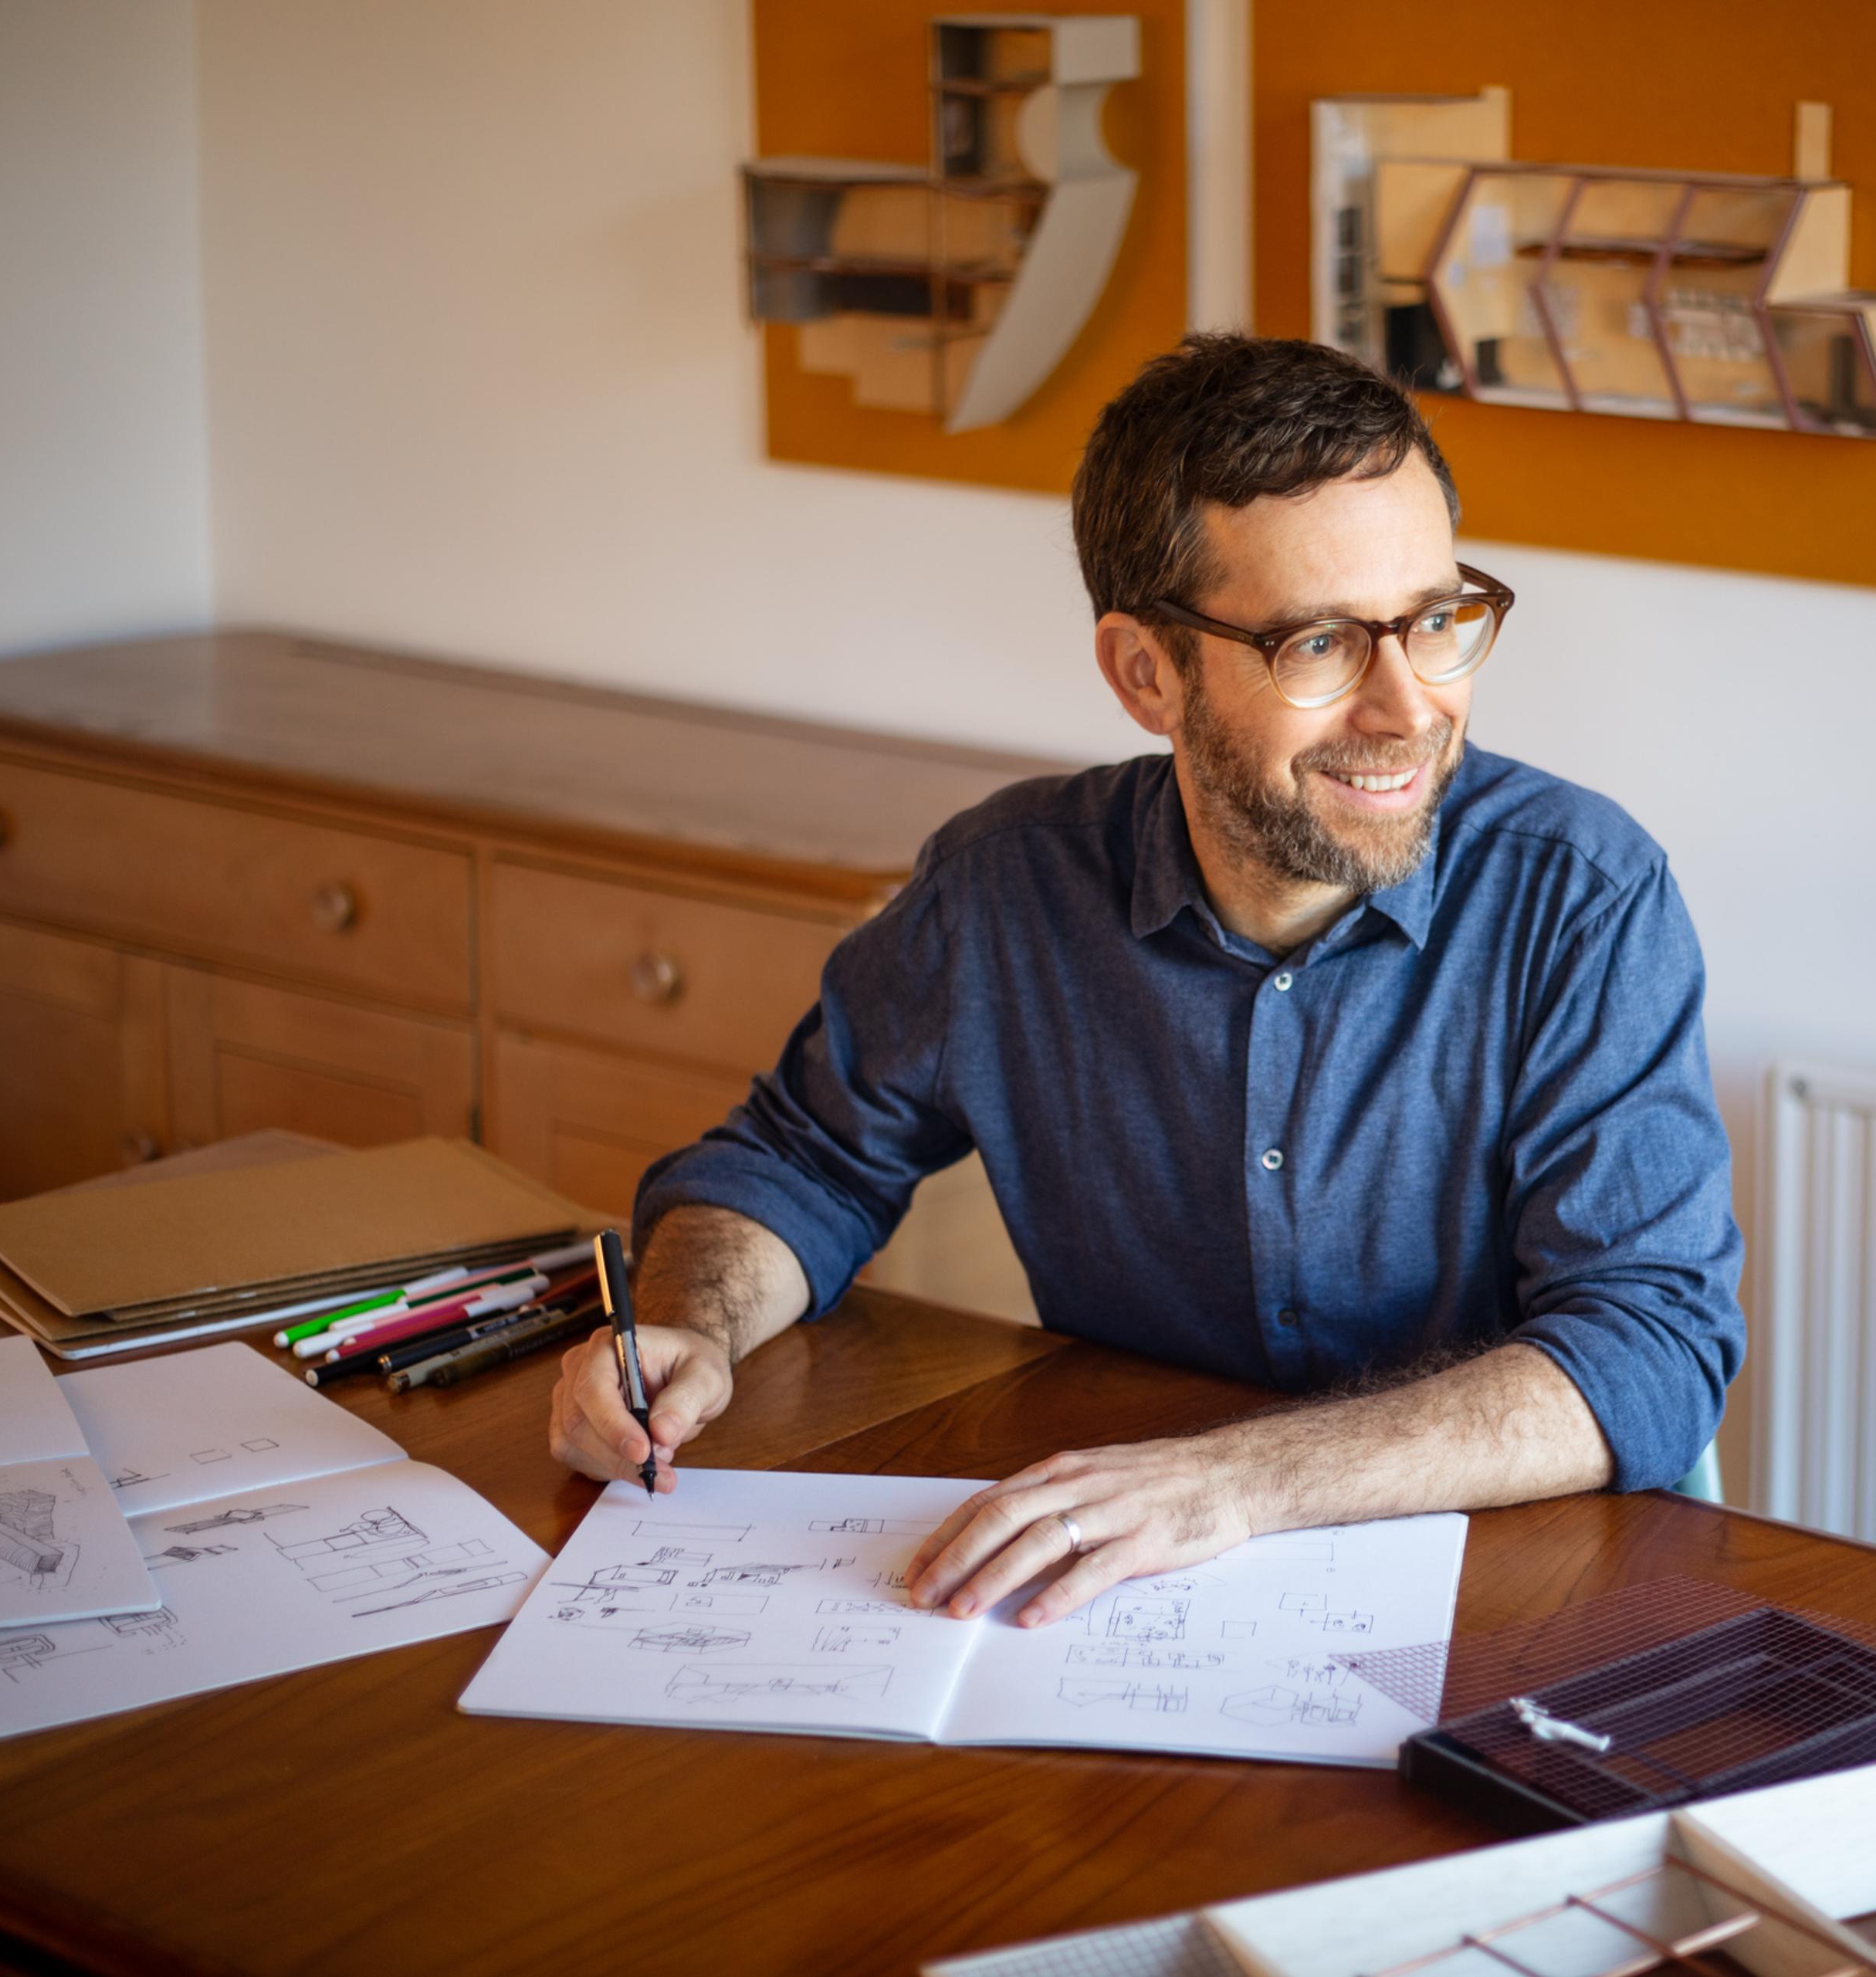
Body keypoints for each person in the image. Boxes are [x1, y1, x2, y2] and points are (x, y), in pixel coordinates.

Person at [548, 333, 1742, 1628]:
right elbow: (798, 1165)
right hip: (1135, 1597)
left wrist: (1233, 1483)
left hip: (1513, 1595)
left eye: (1439, 620)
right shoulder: (1006, 887)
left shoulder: (1580, 897)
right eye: (1322, 645)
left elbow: (1648, 1350)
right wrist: (689, 1327)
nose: (1410, 707)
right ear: (1145, 674)